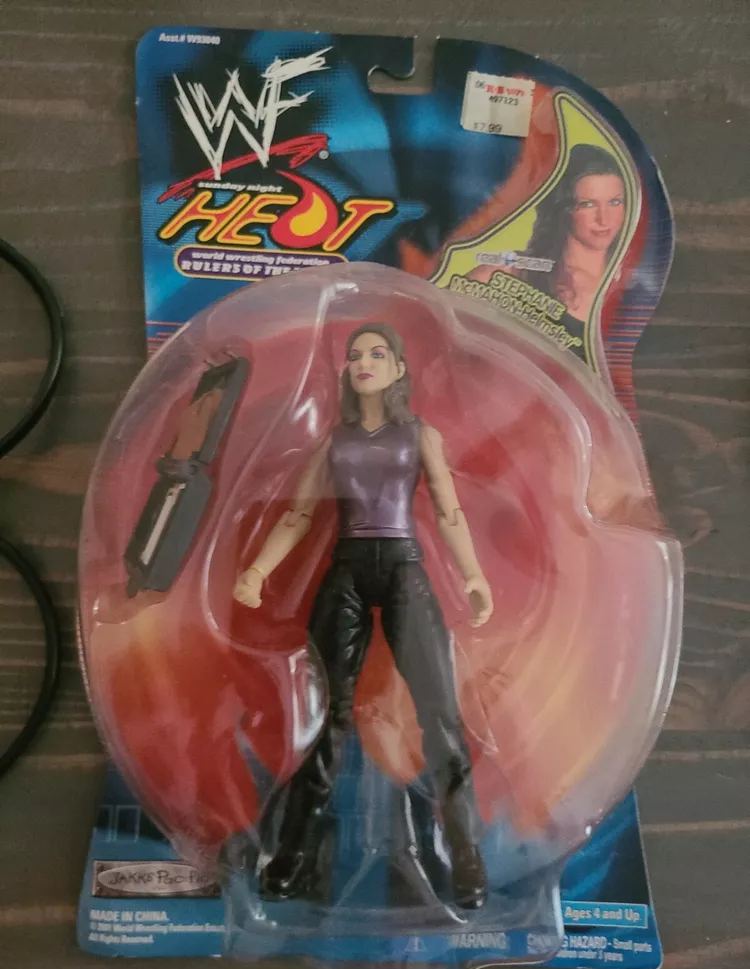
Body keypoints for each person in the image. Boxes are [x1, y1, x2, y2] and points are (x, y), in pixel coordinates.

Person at [234, 321, 494, 909]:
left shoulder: (419, 434)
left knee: (440, 713)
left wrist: (473, 575)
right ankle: (292, 849)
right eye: (355, 355)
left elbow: (449, 511)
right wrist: (258, 570)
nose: (364, 362)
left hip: (404, 567)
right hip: (347, 569)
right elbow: (299, 515)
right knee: (324, 717)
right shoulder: (333, 441)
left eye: (378, 353)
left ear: (399, 368)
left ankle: (466, 851)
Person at [473, 145, 627, 340]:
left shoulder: (630, 283)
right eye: (587, 204)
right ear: (562, 209)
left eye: (615, 202)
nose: (603, 219)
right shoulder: (507, 271)